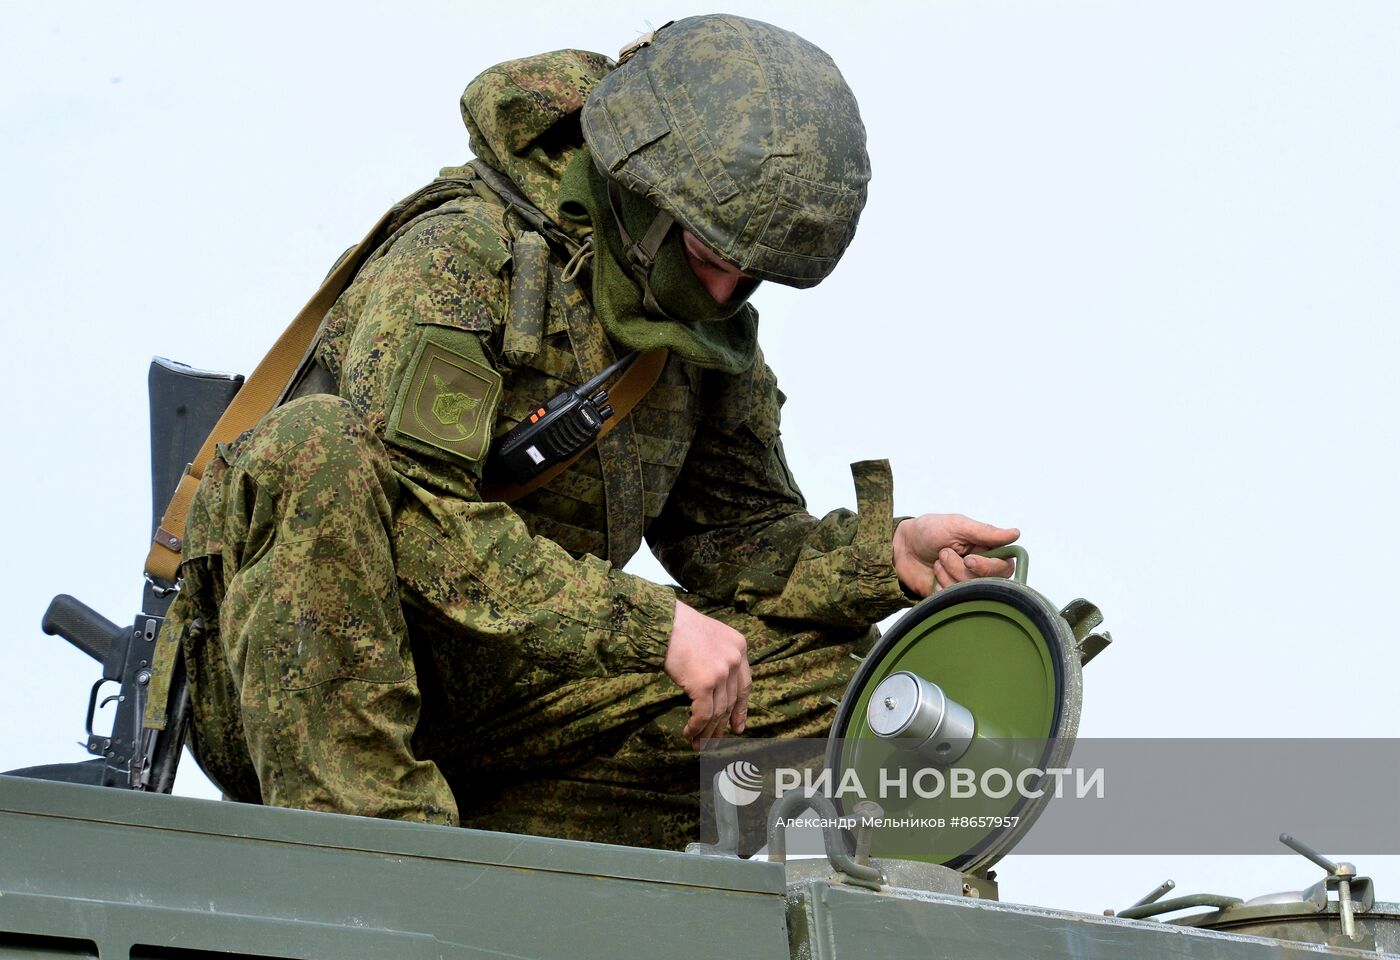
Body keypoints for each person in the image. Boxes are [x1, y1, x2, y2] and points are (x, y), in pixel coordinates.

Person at [163, 14, 1020, 849]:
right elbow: (421, 521)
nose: (724, 295)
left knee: (838, 682)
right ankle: (379, 860)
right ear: (641, 193)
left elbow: (738, 536)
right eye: (713, 259)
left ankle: (537, 864)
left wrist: (886, 554)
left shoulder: (700, 332)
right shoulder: (461, 259)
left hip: (504, 702)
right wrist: (658, 632)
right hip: (299, 684)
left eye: (749, 275)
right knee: (312, 451)